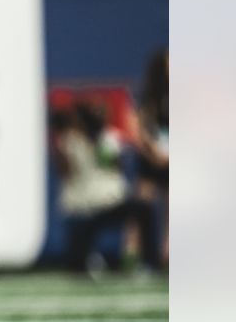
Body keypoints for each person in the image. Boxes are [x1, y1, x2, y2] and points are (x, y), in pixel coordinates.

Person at [51, 100, 159, 274]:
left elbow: (116, 165)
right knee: (76, 265)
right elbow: (66, 171)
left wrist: (98, 145)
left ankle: (149, 263)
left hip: (110, 203)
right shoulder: (70, 141)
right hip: (84, 208)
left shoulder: (109, 138)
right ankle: (87, 259)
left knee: (143, 209)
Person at [133, 49, 168, 266]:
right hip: (151, 156)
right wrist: (152, 150)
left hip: (172, 157)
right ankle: (133, 254)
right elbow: (139, 126)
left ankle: (168, 255)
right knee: (142, 204)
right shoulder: (149, 95)